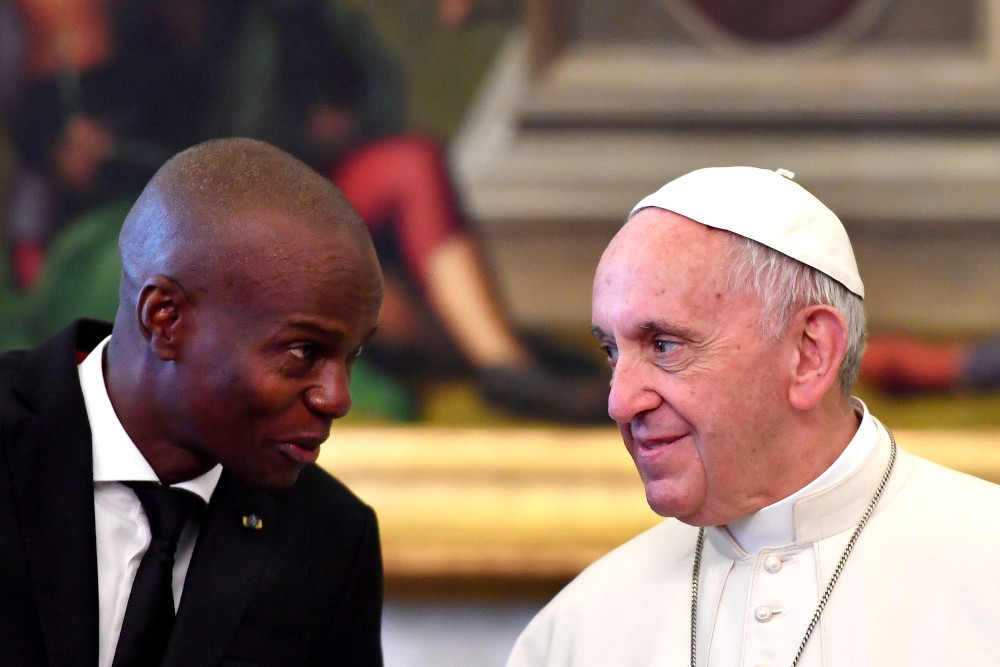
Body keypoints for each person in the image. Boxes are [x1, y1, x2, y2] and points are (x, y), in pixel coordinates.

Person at [507, 167, 1000, 666]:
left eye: (664, 345)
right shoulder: (576, 631)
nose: (619, 401)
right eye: (612, 351)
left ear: (810, 354)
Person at [0, 138, 384, 666]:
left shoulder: (329, 540)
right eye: (302, 350)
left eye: (353, 355)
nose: (336, 398)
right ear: (166, 320)